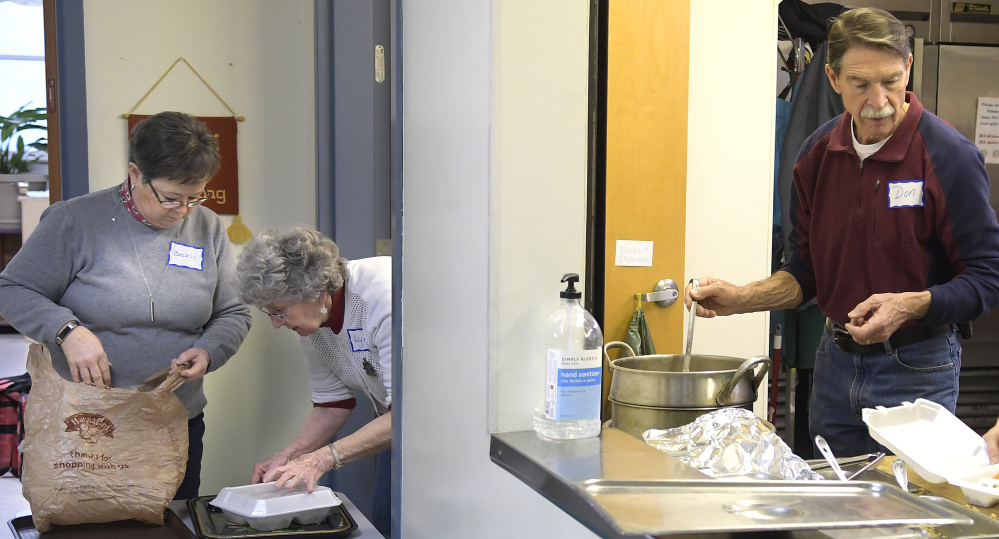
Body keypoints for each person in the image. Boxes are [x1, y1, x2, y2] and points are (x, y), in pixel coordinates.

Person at [685, 8, 999, 458]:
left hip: (917, 366)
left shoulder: (948, 156)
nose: (880, 100)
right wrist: (743, 298)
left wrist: (907, 304)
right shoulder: (817, 154)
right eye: (860, 84)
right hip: (836, 364)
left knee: (903, 517)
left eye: (891, 80)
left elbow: (988, 277)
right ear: (833, 78)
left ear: (908, 67)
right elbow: (806, 269)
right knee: (834, 506)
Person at [0, 111, 252, 499]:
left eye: (194, 197)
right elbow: (11, 289)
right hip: (85, 423)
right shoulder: (75, 221)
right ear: (135, 174)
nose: (183, 211)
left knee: (170, 524)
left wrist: (208, 349)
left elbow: (233, 311)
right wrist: (67, 330)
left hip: (173, 419)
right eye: (170, 197)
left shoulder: (207, 227)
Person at [236, 226, 391, 536]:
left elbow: (410, 415)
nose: (276, 324)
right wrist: (288, 456)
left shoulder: (382, 298)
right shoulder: (312, 321)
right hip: (400, 431)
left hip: (450, 436)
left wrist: (322, 459)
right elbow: (331, 405)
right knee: (387, 522)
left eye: (279, 311)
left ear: (316, 291)